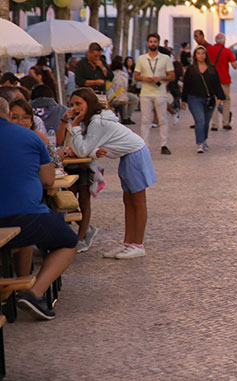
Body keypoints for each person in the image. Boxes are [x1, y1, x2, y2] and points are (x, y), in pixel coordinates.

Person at [0, 97, 78, 320]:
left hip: (15, 220)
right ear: (7, 113)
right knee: (68, 240)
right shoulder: (31, 137)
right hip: (26, 217)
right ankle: (34, 293)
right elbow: (48, 179)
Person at [64, 88, 155, 259]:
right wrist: (91, 149)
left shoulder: (97, 122)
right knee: (128, 201)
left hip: (135, 154)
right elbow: (87, 147)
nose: (75, 108)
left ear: (89, 103)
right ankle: (128, 243)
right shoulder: (94, 121)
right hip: (128, 156)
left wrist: (75, 125)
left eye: (78, 103)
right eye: (72, 104)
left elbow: (82, 150)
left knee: (137, 201)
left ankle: (138, 245)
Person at [181, 45, 227, 153]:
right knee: (200, 120)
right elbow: (186, 85)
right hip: (194, 99)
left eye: (203, 53)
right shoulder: (191, 70)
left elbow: (217, 84)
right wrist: (183, 100)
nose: (201, 56)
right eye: (198, 53)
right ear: (195, 56)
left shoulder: (212, 68)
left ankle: (204, 139)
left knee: (206, 122)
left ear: (206, 55)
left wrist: (220, 97)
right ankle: (200, 143)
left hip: (209, 99)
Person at [134, 33, 175, 155]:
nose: (153, 43)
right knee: (145, 120)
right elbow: (136, 76)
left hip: (160, 93)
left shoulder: (165, 58)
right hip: (145, 93)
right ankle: (144, 145)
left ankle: (164, 145)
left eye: (155, 41)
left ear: (158, 43)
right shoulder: (141, 58)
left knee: (163, 119)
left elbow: (172, 76)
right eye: (151, 41)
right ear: (147, 43)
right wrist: (144, 78)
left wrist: (161, 78)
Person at [198, 33, 237, 131]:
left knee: (214, 101)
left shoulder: (209, 50)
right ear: (224, 41)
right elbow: (235, 66)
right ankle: (226, 123)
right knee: (226, 100)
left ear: (215, 40)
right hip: (224, 79)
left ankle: (214, 124)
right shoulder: (227, 51)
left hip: (212, 80)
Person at [108, 55, 138, 124]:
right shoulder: (113, 74)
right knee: (125, 98)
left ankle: (127, 117)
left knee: (133, 98)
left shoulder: (122, 74)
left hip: (121, 93)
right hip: (113, 94)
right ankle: (125, 118)